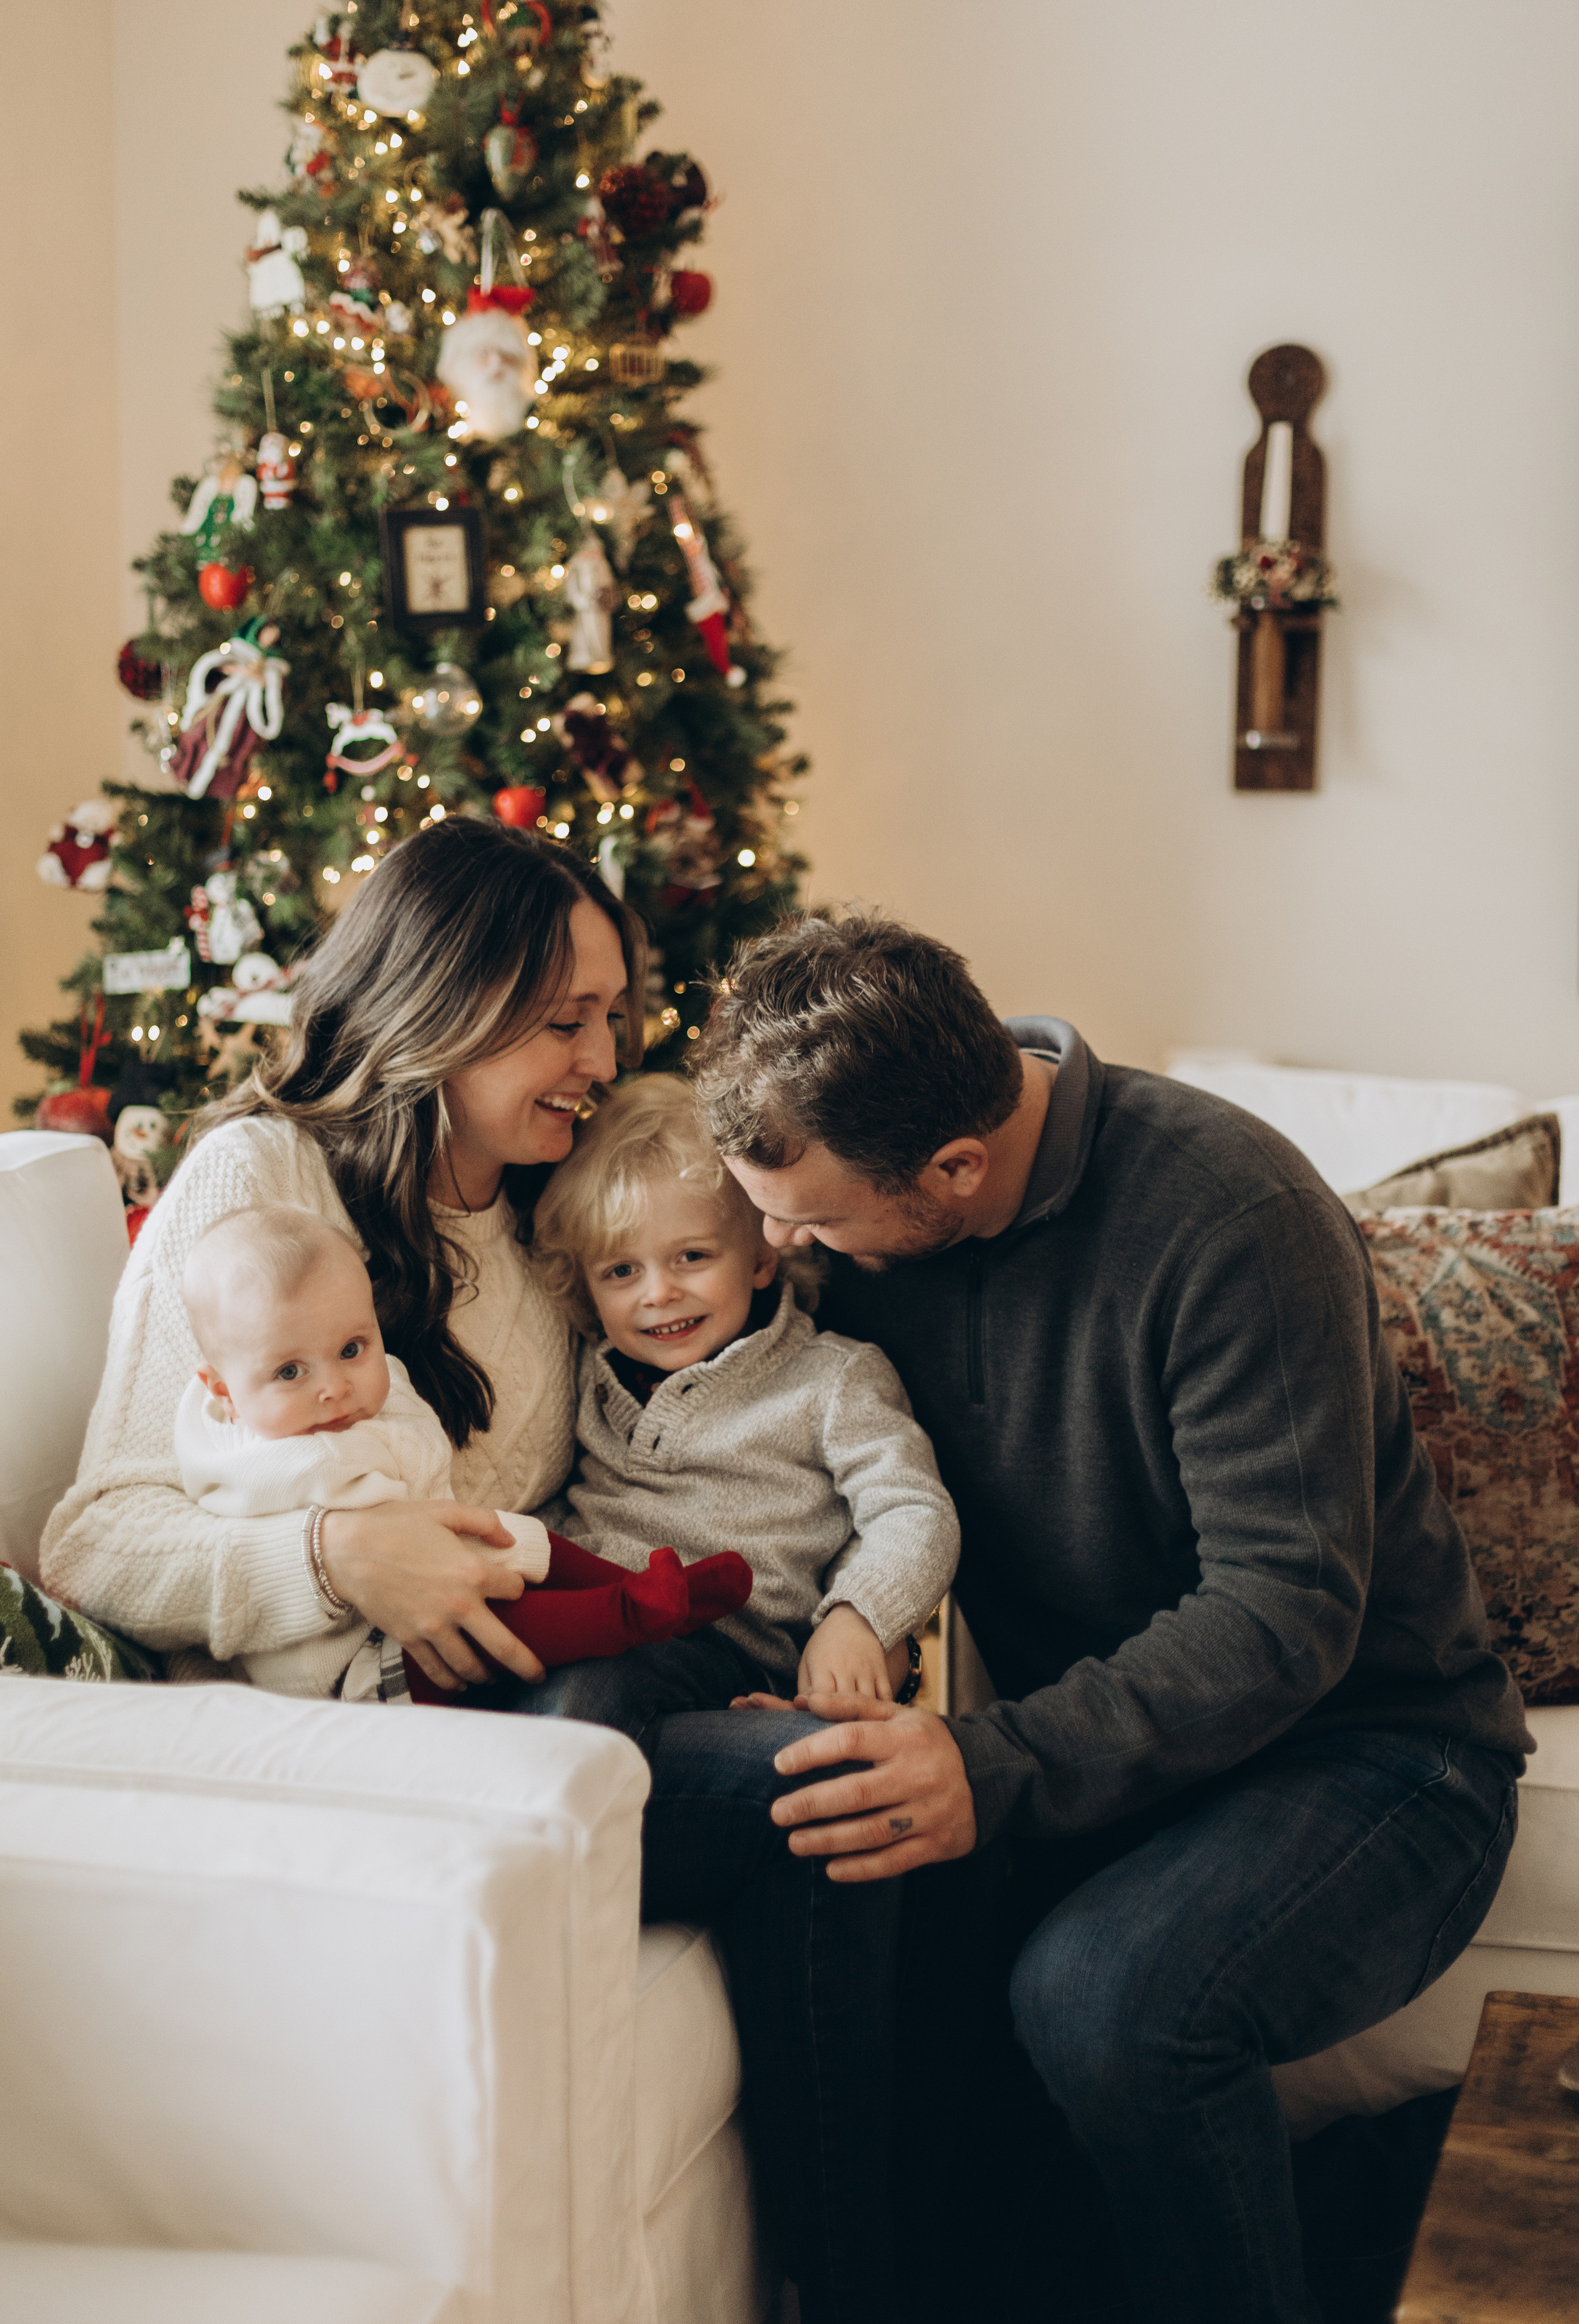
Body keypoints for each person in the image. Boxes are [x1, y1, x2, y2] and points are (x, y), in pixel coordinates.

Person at [637, 908, 1531, 2324]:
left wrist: (990, 1763)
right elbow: (792, 1458)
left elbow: (1283, 1609)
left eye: (811, 1220)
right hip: (1121, 1763)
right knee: (886, 1938)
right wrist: (837, 1645)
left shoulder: (1232, 1216)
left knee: (1105, 1999)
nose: (779, 1244)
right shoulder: (864, 1211)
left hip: (1378, 1754)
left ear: (956, 1167)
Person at [41, 817, 643, 1698]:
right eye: (565, 1022)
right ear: (438, 1009)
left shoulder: (564, 1206)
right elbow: (96, 1550)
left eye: (612, 1018)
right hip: (309, 1734)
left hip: (538, 1692)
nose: (604, 1060)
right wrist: (333, 1559)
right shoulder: (260, 1180)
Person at [476, 1073, 959, 1743]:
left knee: (587, 1696)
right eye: (621, 1271)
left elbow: (912, 1511)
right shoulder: (591, 1370)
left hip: (724, 1650)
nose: (658, 1293)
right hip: (587, 1618)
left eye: (692, 1257)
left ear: (761, 1256)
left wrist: (859, 1616)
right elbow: (564, 1508)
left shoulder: (832, 1378)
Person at [173, 1203, 750, 1702]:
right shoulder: (283, 1463)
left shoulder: (351, 1398)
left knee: (515, 1537)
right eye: (289, 1372)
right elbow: (398, 1551)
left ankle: (648, 1588)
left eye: (352, 1349)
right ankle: (627, 1613)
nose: (334, 1387)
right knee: (495, 1613)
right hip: (357, 1666)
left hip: (429, 1578)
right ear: (223, 1392)